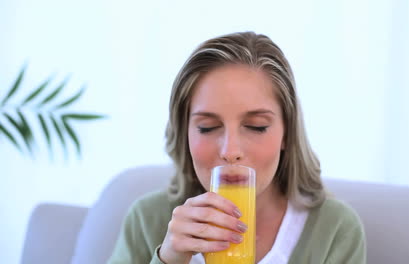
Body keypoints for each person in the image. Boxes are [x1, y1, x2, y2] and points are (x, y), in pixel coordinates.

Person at [108, 31, 366, 264]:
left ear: (287, 132)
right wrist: (169, 260)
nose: (230, 151)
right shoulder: (146, 219)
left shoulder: (335, 229)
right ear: (184, 132)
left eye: (256, 126)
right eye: (207, 127)